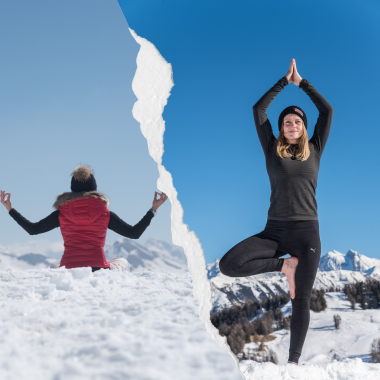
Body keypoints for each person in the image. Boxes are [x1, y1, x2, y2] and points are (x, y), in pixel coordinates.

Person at [219, 59, 333, 364]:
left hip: (307, 233)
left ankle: (293, 363)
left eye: (297, 122)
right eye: (287, 122)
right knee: (229, 264)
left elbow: (327, 111)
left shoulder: (316, 149)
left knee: (301, 301)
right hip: (274, 231)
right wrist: (284, 83)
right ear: (281, 128)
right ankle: (285, 267)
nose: (292, 125)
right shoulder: (271, 148)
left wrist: (303, 83)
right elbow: (258, 111)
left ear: (305, 128)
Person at [1, 164, 168, 272]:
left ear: (72, 189)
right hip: (98, 268)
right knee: (121, 261)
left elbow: (33, 229)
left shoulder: (61, 212)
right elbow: (134, 233)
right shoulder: (104, 212)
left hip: (70, 268)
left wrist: (10, 209)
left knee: (53, 265)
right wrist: (153, 209)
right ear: (94, 188)